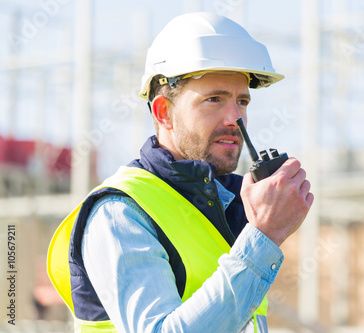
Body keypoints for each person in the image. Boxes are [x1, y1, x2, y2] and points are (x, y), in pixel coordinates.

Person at [48, 12, 313, 333]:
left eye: (242, 101)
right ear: (164, 113)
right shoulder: (120, 212)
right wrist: (265, 238)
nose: (234, 117)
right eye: (214, 99)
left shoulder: (232, 204)